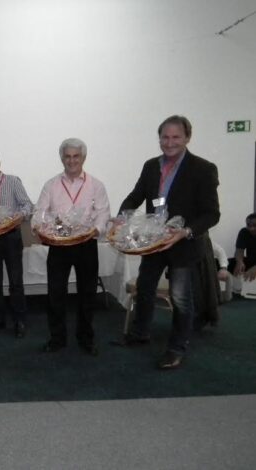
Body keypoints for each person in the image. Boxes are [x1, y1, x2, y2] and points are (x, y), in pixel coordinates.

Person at [117, 115, 220, 369]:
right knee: (145, 287)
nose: (169, 142)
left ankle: (176, 348)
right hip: (153, 242)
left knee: (181, 298)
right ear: (159, 138)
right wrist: (122, 217)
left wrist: (185, 231)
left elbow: (212, 214)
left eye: (176, 137)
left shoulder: (203, 168)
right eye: (165, 137)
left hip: (184, 245)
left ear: (187, 138)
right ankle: (140, 333)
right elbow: (136, 196)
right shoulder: (151, 166)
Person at [33, 138, 110, 356]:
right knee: (55, 294)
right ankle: (57, 338)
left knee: (87, 294)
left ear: (83, 158)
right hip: (59, 246)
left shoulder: (96, 185)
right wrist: (39, 227)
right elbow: (39, 212)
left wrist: (95, 230)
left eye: (76, 156)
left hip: (86, 244)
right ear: (62, 158)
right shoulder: (51, 185)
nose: (71, 160)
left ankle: (86, 338)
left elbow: (103, 213)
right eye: (67, 156)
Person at [0, 149, 33, 338]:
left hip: (11, 237)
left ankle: (20, 321)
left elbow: (27, 205)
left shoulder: (12, 181)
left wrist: (17, 217)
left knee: (16, 282)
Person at [228, 213, 256, 296]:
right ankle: (233, 286)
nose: (251, 228)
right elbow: (239, 250)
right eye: (248, 225)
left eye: (255, 225)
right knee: (222, 263)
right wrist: (239, 261)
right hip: (251, 261)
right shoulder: (244, 232)